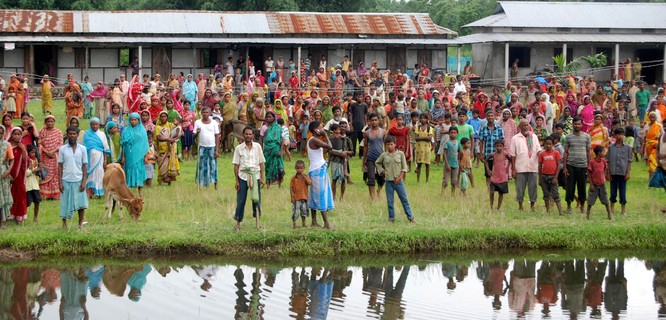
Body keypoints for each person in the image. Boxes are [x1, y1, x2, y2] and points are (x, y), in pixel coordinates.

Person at [233, 127, 266, 231]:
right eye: (246, 134)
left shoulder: (258, 147)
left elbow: (261, 163)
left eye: (250, 134)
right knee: (241, 200)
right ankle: (238, 223)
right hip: (243, 175)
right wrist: (237, 180)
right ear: (243, 135)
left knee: (256, 200)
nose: (248, 136)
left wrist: (262, 177)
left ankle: (257, 222)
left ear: (253, 135)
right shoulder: (239, 148)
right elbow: (236, 165)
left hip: (255, 174)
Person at [376, 135, 414, 223]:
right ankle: (391, 219)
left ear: (395, 144)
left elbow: (404, 168)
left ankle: (411, 218)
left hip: (399, 181)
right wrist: (382, 171)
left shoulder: (400, 154)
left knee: (404, 199)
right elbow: (377, 163)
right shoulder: (384, 155)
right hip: (389, 181)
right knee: (390, 201)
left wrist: (400, 177)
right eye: (387, 145)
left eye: (391, 144)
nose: (389, 146)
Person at [58, 126, 88, 229]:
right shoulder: (62, 149)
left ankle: (80, 224)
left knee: (81, 204)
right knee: (65, 203)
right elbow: (60, 166)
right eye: (70, 134)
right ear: (67, 135)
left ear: (77, 135)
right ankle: (64, 224)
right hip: (66, 179)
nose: (72, 136)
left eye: (74, 134)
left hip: (78, 179)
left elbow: (85, 166)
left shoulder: (82, 149)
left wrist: (84, 182)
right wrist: (60, 183)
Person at [510, 119, 542, 212]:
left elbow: (538, 149)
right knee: (520, 188)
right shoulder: (515, 138)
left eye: (527, 125)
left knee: (533, 187)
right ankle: (520, 206)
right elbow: (513, 155)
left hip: (533, 166)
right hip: (520, 167)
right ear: (520, 127)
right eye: (524, 125)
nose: (526, 127)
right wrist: (513, 169)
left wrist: (542, 155)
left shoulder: (534, 137)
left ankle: (532, 206)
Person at [307, 121, 334, 229]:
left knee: (314, 195)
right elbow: (330, 146)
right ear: (315, 130)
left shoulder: (314, 140)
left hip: (317, 169)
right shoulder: (314, 140)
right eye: (320, 127)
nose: (322, 129)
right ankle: (326, 223)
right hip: (317, 170)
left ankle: (314, 221)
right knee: (320, 195)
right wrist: (326, 135)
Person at [564, 117, 591, 213]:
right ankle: (568, 207)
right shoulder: (568, 137)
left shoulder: (586, 137)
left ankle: (582, 206)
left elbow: (588, 152)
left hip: (583, 165)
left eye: (579, 124)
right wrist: (565, 167)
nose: (577, 126)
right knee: (570, 187)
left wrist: (589, 166)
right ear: (572, 124)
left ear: (582, 125)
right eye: (575, 124)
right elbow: (566, 152)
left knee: (582, 187)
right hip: (571, 165)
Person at [120, 113, 149, 197]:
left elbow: (145, 144)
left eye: (135, 120)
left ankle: (140, 191)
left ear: (138, 120)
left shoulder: (142, 130)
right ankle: (128, 192)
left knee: (138, 170)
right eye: (131, 120)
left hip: (139, 154)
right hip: (129, 153)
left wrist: (145, 156)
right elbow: (123, 144)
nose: (133, 121)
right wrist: (123, 156)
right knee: (129, 170)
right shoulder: (126, 130)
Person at [606, 128, 632, 216]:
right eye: (618, 134)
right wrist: (608, 173)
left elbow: (629, 161)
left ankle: (623, 210)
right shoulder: (611, 147)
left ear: (624, 135)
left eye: (621, 134)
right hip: (613, 173)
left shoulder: (627, 147)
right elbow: (608, 161)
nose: (620, 136)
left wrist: (628, 172)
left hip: (622, 172)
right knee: (613, 192)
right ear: (615, 135)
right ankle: (611, 209)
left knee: (622, 192)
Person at [194, 107, 220, 189]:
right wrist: (197, 132)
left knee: (213, 166)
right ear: (201, 113)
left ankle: (215, 184)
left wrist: (217, 150)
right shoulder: (197, 122)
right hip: (202, 147)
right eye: (203, 112)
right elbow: (194, 136)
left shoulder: (214, 123)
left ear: (209, 113)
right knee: (201, 166)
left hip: (212, 147)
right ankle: (201, 184)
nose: (205, 114)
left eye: (207, 112)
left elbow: (217, 136)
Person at [82, 118, 109, 197]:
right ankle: (90, 192)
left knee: (99, 173)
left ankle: (99, 192)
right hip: (90, 158)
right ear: (90, 125)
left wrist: (105, 160)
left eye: (96, 124)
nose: (94, 126)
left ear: (99, 125)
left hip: (99, 157)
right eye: (93, 124)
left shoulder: (102, 134)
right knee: (90, 174)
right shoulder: (87, 134)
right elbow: (85, 147)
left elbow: (105, 147)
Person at [478, 110, 504, 187]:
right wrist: (481, 153)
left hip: (497, 155)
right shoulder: (483, 129)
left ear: (494, 117)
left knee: (497, 173)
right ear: (486, 117)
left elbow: (502, 142)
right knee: (488, 174)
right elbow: (481, 142)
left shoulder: (499, 129)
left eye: (492, 116)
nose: (490, 117)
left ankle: (497, 188)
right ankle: (489, 190)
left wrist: (502, 153)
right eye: (488, 116)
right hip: (487, 154)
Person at [363, 113, 386, 199]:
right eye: (372, 120)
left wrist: (387, 156)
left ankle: (379, 191)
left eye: (375, 120)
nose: (374, 122)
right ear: (369, 121)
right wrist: (364, 159)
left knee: (382, 177)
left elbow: (386, 144)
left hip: (381, 157)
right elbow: (365, 146)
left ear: (379, 121)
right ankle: (372, 197)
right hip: (370, 157)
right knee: (371, 178)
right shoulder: (367, 133)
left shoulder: (383, 131)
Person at [538, 136, 563, 215]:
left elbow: (559, 165)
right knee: (546, 195)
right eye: (546, 144)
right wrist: (540, 178)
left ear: (552, 144)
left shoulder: (556, 153)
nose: (548, 146)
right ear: (544, 144)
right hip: (544, 176)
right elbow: (539, 166)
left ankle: (560, 212)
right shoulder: (542, 154)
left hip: (553, 176)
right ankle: (548, 211)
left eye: (550, 144)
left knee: (555, 194)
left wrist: (556, 177)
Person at [260, 111, 285, 188]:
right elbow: (261, 139)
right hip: (268, 150)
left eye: (270, 117)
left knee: (279, 167)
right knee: (268, 167)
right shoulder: (264, 127)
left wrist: (281, 150)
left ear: (274, 118)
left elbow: (282, 139)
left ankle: (279, 184)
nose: (268, 118)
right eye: (267, 117)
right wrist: (261, 150)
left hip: (277, 149)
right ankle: (268, 184)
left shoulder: (278, 127)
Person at [587, 146, 612, 220]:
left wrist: (604, 177)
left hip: (601, 184)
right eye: (603, 152)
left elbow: (604, 169)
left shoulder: (603, 161)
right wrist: (591, 184)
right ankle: (587, 215)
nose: (604, 153)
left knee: (606, 200)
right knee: (590, 201)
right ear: (598, 153)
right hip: (594, 184)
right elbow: (589, 173)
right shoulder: (592, 162)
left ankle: (609, 214)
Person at [155, 112, 180, 185]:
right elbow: (158, 138)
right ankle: (160, 181)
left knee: (170, 164)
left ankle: (169, 182)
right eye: (162, 117)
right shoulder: (158, 127)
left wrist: (175, 138)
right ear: (160, 117)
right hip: (161, 148)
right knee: (162, 165)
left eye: (165, 116)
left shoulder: (170, 125)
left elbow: (178, 130)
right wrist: (168, 139)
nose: (163, 118)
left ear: (167, 117)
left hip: (170, 148)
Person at [8, 127, 27, 223]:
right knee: (8, 194)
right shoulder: (7, 146)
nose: (17, 136)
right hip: (7, 174)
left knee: (19, 194)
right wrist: (8, 174)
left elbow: (25, 161)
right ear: (11, 135)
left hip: (19, 176)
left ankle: (19, 216)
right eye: (15, 134)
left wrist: (23, 150)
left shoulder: (21, 146)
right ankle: (7, 215)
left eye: (19, 134)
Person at [328, 123, 351, 200]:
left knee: (343, 179)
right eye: (339, 129)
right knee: (334, 179)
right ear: (334, 130)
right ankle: (333, 197)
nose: (340, 130)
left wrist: (345, 153)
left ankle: (341, 197)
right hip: (334, 160)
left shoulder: (343, 139)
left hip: (341, 159)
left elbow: (351, 151)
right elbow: (329, 151)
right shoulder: (330, 139)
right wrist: (339, 153)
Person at [485, 139, 509, 212]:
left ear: (503, 146)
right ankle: (491, 206)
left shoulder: (505, 154)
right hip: (494, 176)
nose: (499, 148)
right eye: (497, 146)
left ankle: (498, 207)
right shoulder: (493, 154)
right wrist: (488, 170)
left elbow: (511, 160)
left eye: (500, 146)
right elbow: (485, 161)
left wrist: (508, 167)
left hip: (502, 176)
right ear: (495, 146)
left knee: (500, 193)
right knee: (491, 192)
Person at [290, 160, 311, 229]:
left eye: (301, 168)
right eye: (298, 168)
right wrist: (292, 197)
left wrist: (304, 176)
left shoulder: (306, 176)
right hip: (297, 198)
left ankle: (303, 223)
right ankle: (294, 224)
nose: (300, 170)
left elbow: (309, 183)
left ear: (304, 168)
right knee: (296, 212)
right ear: (295, 168)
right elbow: (291, 187)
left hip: (304, 197)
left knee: (304, 211)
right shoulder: (294, 178)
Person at [414, 114, 433, 183]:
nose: (423, 120)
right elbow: (416, 138)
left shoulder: (429, 128)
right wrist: (425, 138)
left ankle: (427, 180)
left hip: (427, 149)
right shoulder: (417, 127)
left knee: (427, 164)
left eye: (424, 118)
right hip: (419, 148)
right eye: (421, 118)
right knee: (419, 164)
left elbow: (430, 138)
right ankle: (418, 180)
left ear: (427, 119)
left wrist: (420, 138)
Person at [644, 112, 664, 177]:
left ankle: (655, 176)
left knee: (653, 160)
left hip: (656, 146)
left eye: (653, 117)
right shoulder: (646, 126)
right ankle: (651, 176)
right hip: (648, 146)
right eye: (651, 117)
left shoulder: (659, 126)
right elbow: (645, 136)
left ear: (656, 118)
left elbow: (663, 134)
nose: (652, 119)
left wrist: (658, 138)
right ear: (649, 118)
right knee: (650, 161)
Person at [441, 127, 460, 196]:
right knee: (445, 180)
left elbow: (459, 152)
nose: (453, 134)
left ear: (457, 134)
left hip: (456, 164)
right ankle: (442, 192)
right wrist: (447, 164)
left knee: (454, 181)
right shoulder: (447, 143)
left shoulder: (458, 143)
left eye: (454, 133)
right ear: (449, 134)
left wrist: (459, 161)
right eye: (451, 133)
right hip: (448, 164)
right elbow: (444, 153)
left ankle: (453, 194)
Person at [0, 125, 13, 229]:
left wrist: (8, 171)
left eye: (1, 132)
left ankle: (2, 222)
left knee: (3, 197)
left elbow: (11, 159)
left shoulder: (6, 144)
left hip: (3, 173)